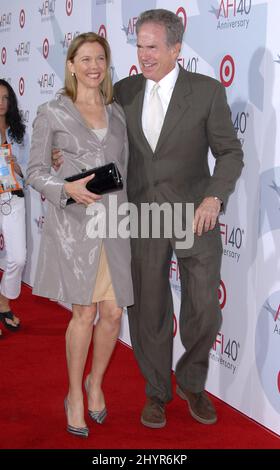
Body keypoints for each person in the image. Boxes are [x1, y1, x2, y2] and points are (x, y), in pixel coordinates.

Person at [113, 9, 244, 428]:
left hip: (195, 216)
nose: (143, 55)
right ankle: (156, 391)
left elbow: (230, 153)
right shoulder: (124, 91)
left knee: (204, 308)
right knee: (148, 310)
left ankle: (191, 381)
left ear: (175, 47)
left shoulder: (206, 92)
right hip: (143, 217)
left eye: (152, 47)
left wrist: (213, 200)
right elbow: (102, 144)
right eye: (138, 46)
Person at [27, 32, 133, 437]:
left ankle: (95, 383)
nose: (93, 66)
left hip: (115, 224)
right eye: (85, 59)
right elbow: (35, 170)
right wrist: (64, 188)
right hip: (76, 227)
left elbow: (124, 170)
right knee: (84, 313)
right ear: (71, 65)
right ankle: (74, 394)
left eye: (100, 59)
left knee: (113, 313)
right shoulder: (51, 112)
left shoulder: (117, 112)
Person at [0, 79, 27, 339]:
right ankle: (4, 307)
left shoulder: (19, 132)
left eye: (6, 97)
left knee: (18, 258)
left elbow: (33, 170)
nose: (1, 102)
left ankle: (2, 300)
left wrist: (19, 167)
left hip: (13, 197)